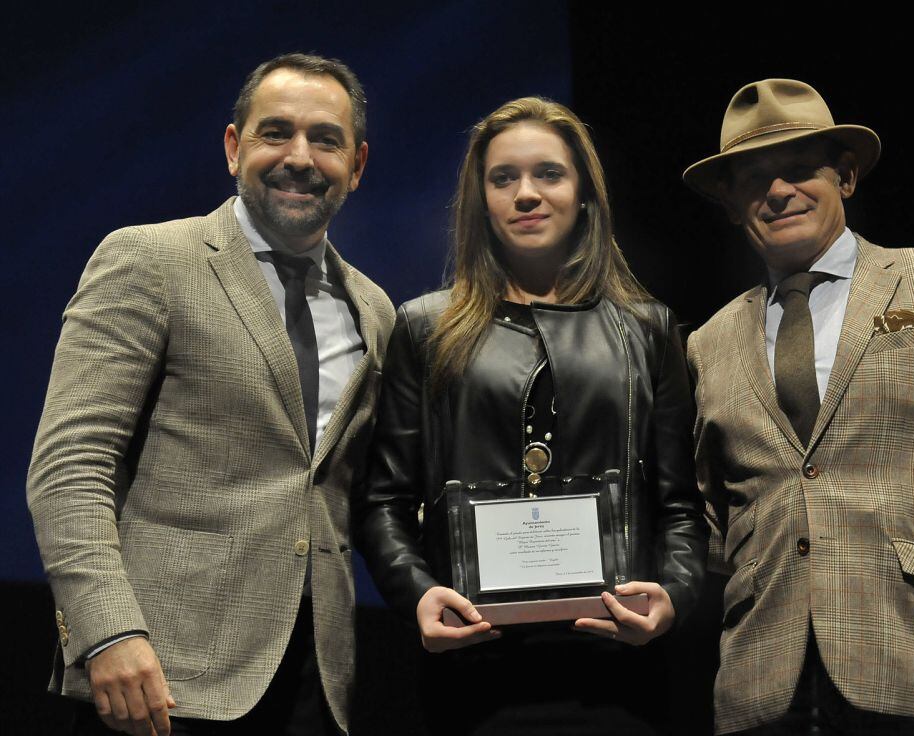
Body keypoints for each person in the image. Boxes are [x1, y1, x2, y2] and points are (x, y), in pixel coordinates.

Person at [27, 53, 394, 736]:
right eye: (275, 132)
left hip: (314, 683)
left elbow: (357, 494)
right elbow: (69, 469)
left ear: (358, 164)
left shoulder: (374, 310)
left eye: (326, 139)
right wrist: (107, 632)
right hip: (159, 680)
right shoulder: (149, 261)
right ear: (233, 147)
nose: (300, 156)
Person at [682, 78, 914, 735]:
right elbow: (715, 512)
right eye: (754, 178)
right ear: (731, 202)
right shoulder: (707, 344)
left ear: (846, 177)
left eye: (801, 169)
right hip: (761, 686)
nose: (778, 190)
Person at [357, 96, 707, 734]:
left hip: (620, 672)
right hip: (473, 670)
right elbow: (383, 499)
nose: (526, 194)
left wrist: (675, 598)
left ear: (585, 195)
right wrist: (417, 596)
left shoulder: (649, 330)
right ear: (480, 200)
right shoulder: (424, 328)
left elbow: (681, 502)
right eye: (503, 178)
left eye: (549, 173)